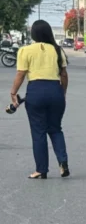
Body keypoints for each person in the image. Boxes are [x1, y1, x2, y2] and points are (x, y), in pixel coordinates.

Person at [8, 20, 70, 179]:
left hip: (35, 91)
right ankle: (63, 162)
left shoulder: (25, 50)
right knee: (56, 129)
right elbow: (64, 75)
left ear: (33, 34)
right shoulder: (57, 50)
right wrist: (62, 93)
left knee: (38, 132)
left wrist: (13, 92)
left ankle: (41, 170)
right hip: (55, 90)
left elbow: (21, 74)